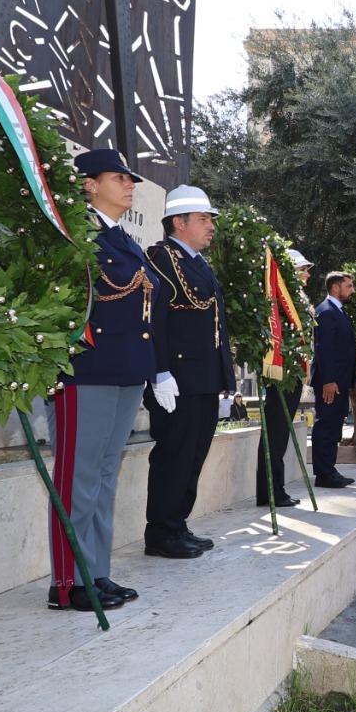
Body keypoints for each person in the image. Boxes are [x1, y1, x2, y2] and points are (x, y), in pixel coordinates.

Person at [45, 148, 155, 611]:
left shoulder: (122, 238)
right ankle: (68, 583)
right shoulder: (73, 231)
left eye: (130, 179)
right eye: (119, 177)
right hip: (83, 371)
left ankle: (97, 573)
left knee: (105, 474)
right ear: (89, 184)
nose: (130, 185)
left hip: (125, 371)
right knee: (78, 477)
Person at [140, 187, 235, 559]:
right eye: (203, 219)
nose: (211, 226)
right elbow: (155, 319)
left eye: (210, 219)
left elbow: (213, 324)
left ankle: (177, 523)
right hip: (177, 378)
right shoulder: (162, 258)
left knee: (194, 454)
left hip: (202, 378)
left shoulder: (197, 262)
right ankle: (161, 533)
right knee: (174, 455)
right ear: (179, 223)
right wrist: (159, 371)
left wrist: (223, 377)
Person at [256, 250, 313, 508]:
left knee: (281, 435)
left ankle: (275, 488)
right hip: (281, 373)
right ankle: (269, 490)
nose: (308, 274)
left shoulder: (295, 299)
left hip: (293, 374)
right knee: (276, 433)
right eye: (303, 270)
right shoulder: (278, 298)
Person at [310, 270, 356, 489]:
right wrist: (329, 380)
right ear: (336, 287)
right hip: (330, 382)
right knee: (326, 425)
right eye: (349, 286)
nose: (352, 291)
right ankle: (323, 474)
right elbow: (324, 349)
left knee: (334, 425)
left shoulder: (338, 311)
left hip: (340, 381)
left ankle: (330, 469)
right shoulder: (326, 311)